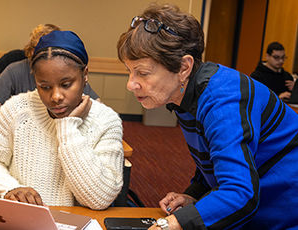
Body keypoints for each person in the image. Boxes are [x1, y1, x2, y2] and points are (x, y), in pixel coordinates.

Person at [117, 4, 298, 229]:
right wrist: (195, 195)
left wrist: (174, 224)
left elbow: (240, 193)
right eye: (129, 71)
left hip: (285, 210)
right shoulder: (186, 93)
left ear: (184, 67)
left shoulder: (223, 100)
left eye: (142, 73)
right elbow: (217, 157)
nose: (130, 84)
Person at [0, 30, 124, 210]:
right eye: (45, 87)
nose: (56, 96)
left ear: (85, 75)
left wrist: (67, 127)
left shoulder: (106, 121)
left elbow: (99, 198)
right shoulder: (17, 108)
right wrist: (10, 189)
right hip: (22, 220)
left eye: (66, 85)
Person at [0, 24, 99, 122]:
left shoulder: (72, 74)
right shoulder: (15, 70)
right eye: (45, 87)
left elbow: (99, 110)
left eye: (65, 84)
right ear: (32, 51)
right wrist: (27, 122)